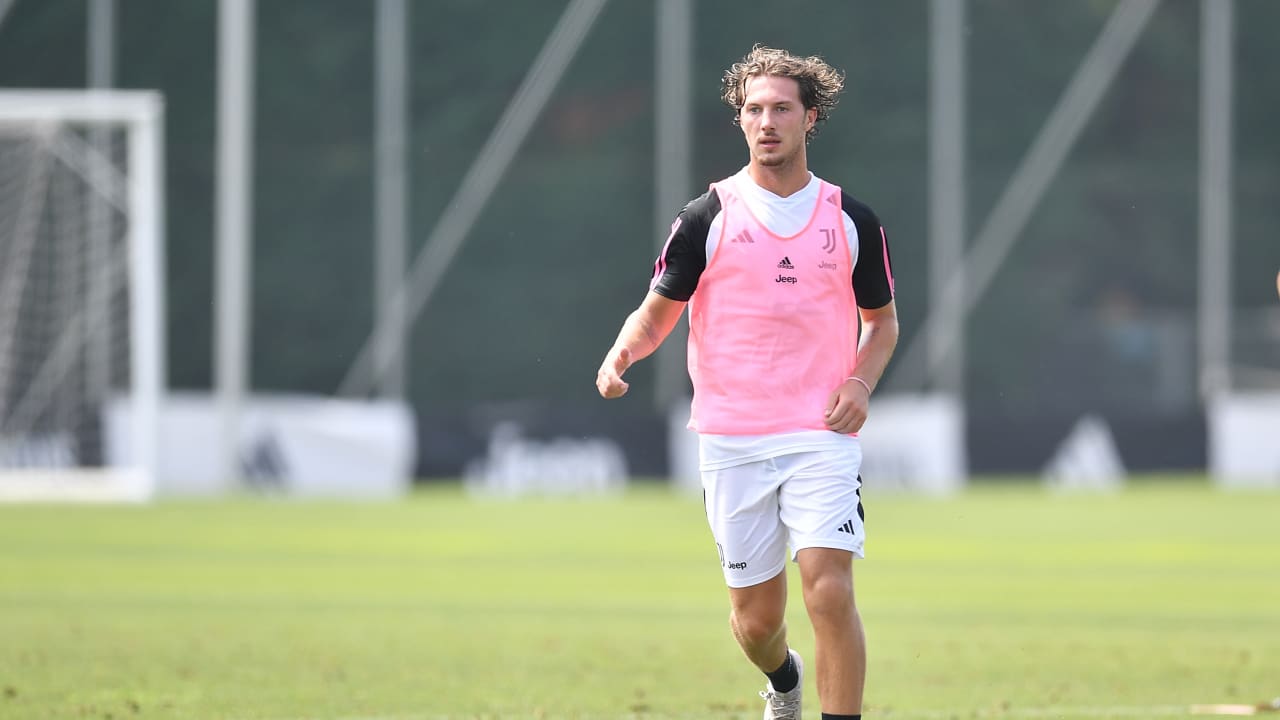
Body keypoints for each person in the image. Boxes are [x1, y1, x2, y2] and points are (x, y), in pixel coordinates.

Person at [595, 45, 898, 720]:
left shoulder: (852, 219)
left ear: (809, 118)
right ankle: (783, 681)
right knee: (756, 624)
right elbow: (657, 315)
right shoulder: (706, 217)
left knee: (828, 589)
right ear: (740, 121)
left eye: (781, 109)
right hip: (732, 440)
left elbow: (881, 325)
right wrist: (621, 355)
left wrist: (861, 384)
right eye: (754, 110)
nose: (767, 122)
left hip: (820, 434)